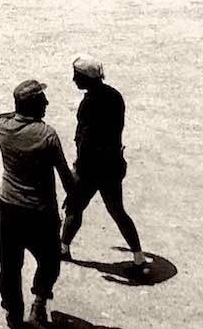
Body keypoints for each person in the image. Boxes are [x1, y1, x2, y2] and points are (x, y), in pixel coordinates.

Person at [0, 81, 76, 329]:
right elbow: (65, 175)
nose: (47, 103)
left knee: (10, 264)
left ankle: (13, 312)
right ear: (35, 105)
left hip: (8, 208)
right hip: (41, 213)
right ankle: (38, 304)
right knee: (50, 261)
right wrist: (74, 201)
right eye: (42, 100)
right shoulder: (47, 134)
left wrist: (16, 114)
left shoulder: (2, 129)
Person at [60, 57, 149, 274]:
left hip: (91, 168)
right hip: (112, 164)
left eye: (76, 76)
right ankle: (139, 258)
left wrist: (77, 170)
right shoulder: (114, 96)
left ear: (85, 78)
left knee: (74, 206)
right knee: (117, 210)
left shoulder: (89, 104)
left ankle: (63, 249)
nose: (73, 80)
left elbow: (85, 142)